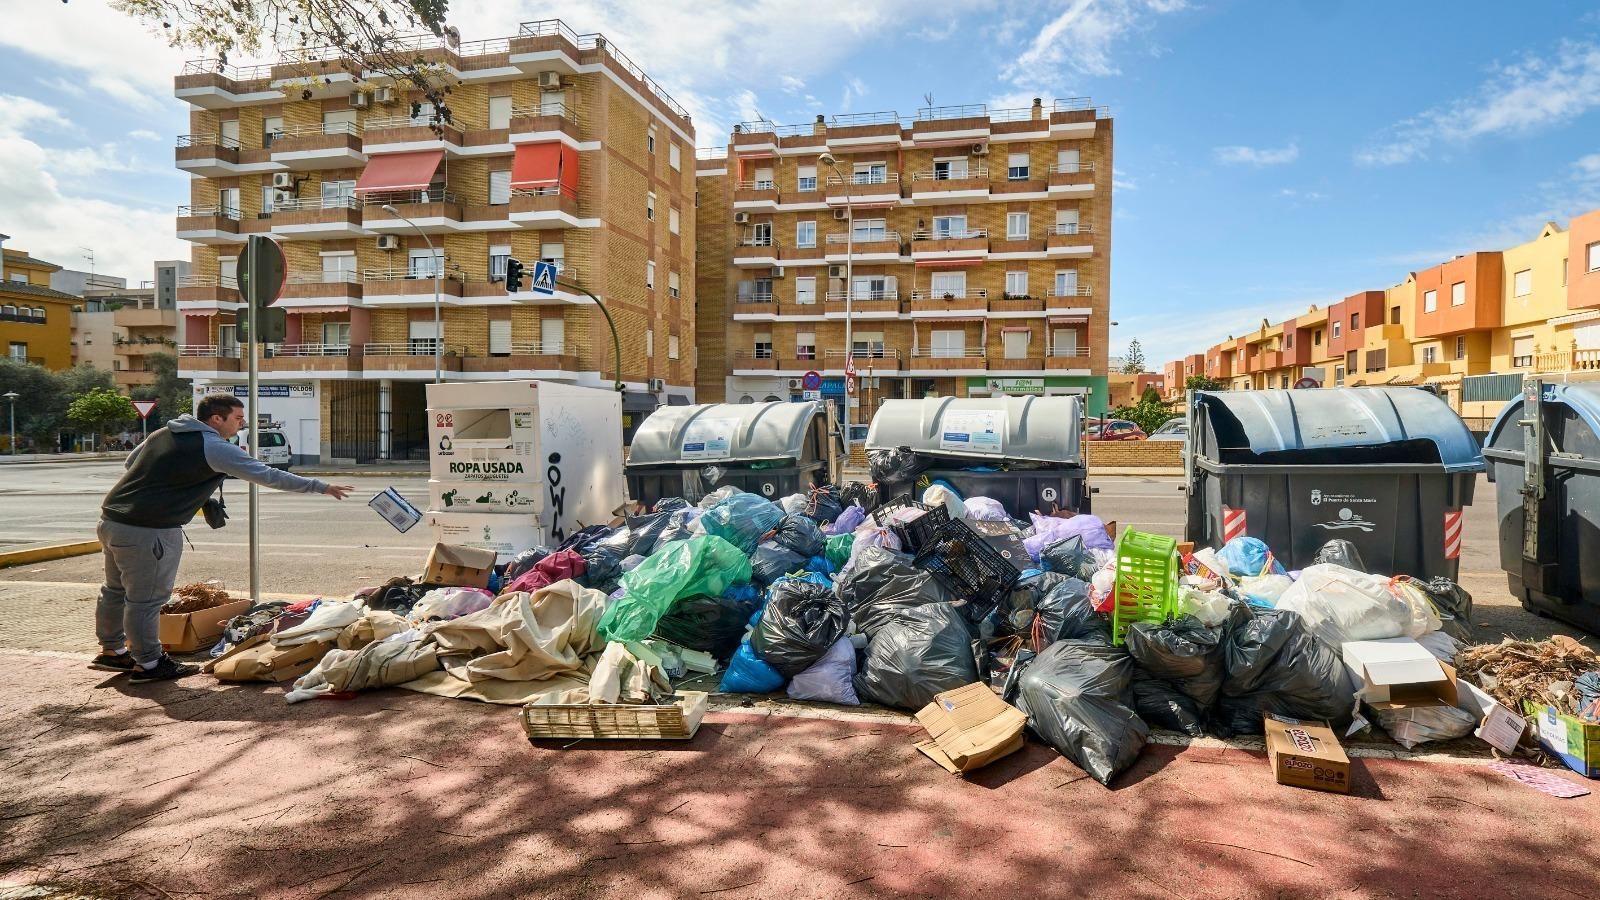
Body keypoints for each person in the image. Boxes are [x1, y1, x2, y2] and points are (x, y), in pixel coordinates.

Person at [94, 395, 354, 683]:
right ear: (216, 419)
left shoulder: (163, 432)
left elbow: (132, 462)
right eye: (238, 419)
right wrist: (320, 486)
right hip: (150, 528)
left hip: (112, 520)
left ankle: (112, 650)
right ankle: (150, 664)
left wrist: (174, 483)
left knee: (115, 590)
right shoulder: (213, 445)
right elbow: (265, 475)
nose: (241, 424)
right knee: (146, 600)